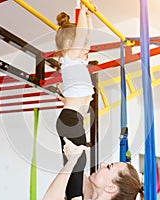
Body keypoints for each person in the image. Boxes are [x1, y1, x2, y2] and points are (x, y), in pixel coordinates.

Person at [55, 2, 95, 199]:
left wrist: (88, 15)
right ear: (70, 46)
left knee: (76, 159)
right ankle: (73, 196)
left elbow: (86, 34)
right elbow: (82, 35)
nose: (87, 47)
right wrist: (83, 10)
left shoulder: (76, 60)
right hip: (71, 119)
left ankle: (72, 196)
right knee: (78, 158)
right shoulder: (69, 58)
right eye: (83, 46)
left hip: (71, 119)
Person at [43, 137, 144, 200]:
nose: (102, 164)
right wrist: (72, 159)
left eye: (108, 167)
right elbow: (76, 171)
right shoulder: (91, 193)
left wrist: (72, 162)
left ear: (111, 188)